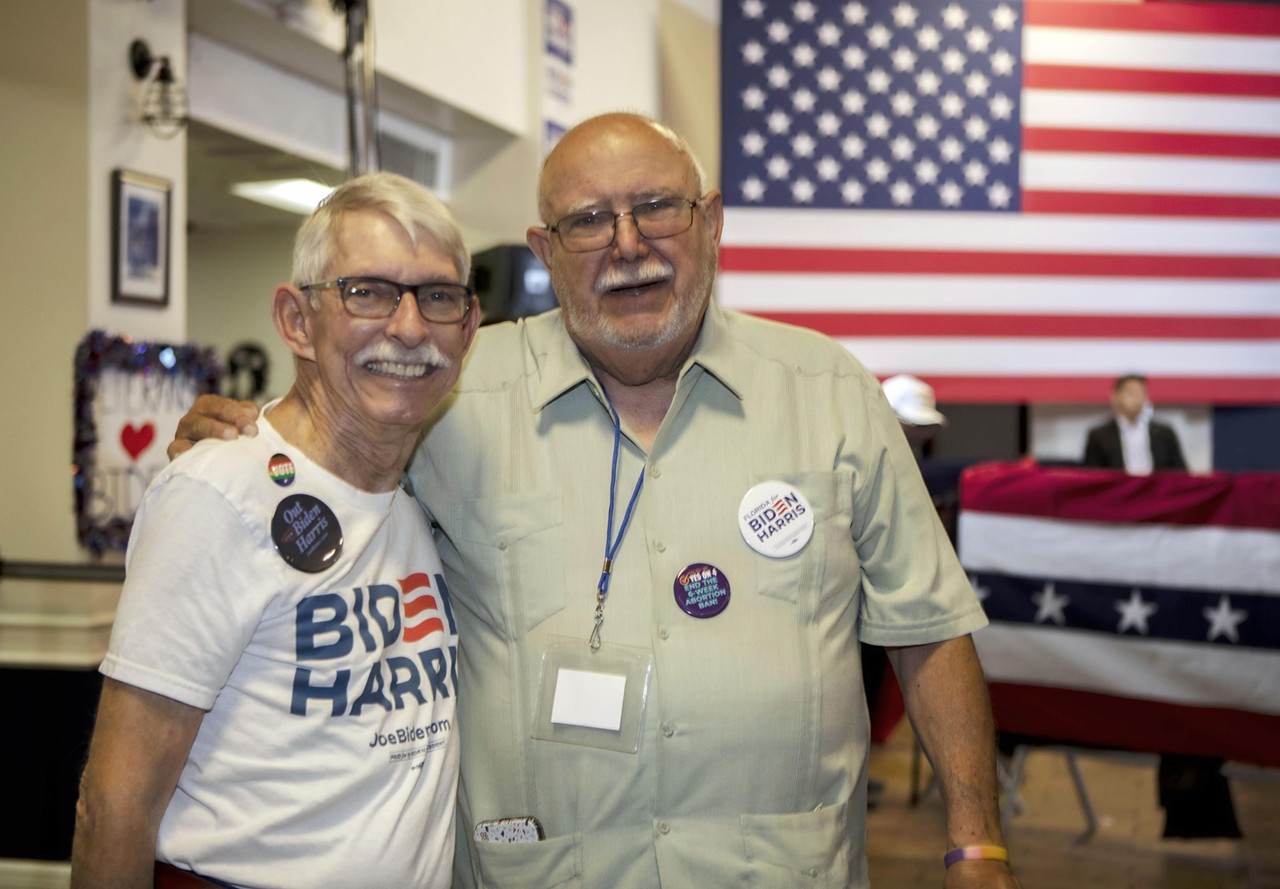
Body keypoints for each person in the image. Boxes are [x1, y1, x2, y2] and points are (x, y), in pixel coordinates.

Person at [172, 113, 1019, 888]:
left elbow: (929, 628)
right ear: (544, 248)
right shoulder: (451, 395)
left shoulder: (829, 390)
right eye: (588, 221)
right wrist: (253, 444)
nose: (628, 244)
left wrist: (976, 841)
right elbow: (333, 453)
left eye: (657, 207)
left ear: (712, 222)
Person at [73, 172, 481, 889]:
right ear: (296, 320)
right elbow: (113, 806)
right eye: (368, 291)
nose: (410, 327)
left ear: (469, 328)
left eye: (438, 296)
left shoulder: (428, 483)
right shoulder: (217, 493)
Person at [1082, 374, 1187, 473]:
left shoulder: (1164, 433)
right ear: (1114, 396)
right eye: (1130, 393)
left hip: (1157, 491)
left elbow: (1180, 474)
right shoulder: (1099, 436)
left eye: (1141, 393)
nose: (1137, 399)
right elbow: (1093, 477)